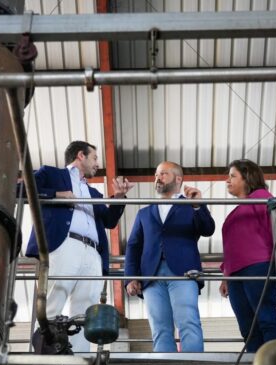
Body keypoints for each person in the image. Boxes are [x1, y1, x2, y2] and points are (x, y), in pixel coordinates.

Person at [25, 141, 133, 352]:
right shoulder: (52, 174)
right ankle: (45, 359)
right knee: (54, 300)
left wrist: (119, 198)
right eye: (94, 158)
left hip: (92, 253)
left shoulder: (94, 194)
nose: (97, 163)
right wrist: (56, 195)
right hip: (64, 244)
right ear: (81, 156)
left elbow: (110, 221)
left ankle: (77, 363)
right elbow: (23, 188)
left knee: (86, 311)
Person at [125, 162, 215, 352]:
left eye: (163, 174)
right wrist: (130, 277)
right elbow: (133, 246)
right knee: (159, 327)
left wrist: (199, 205)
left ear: (179, 179)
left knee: (188, 321)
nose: (158, 178)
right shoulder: (144, 213)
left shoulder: (191, 205)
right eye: (156, 174)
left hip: (184, 272)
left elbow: (208, 229)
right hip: (151, 275)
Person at [219, 159, 276, 353]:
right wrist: (225, 276)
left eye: (232, 176)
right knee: (247, 325)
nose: (227, 181)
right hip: (235, 274)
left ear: (247, 177)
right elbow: (232, 247)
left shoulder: (263, 197)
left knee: (265, 316)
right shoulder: (236, 211)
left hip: (258, 266)